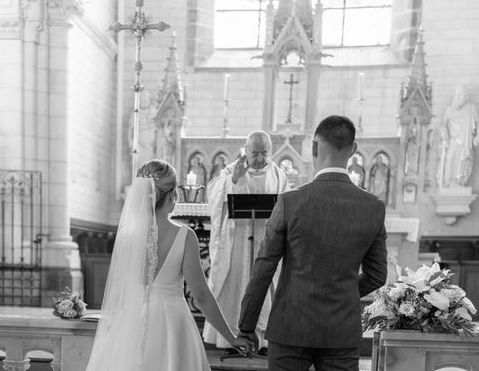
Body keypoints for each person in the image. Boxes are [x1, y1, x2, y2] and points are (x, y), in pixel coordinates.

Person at [238, 116, 387, 371]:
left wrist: (246, 326)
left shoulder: (289, 202)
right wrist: (344, 293)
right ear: (353, 149)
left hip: (290, 325)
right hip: (341, 329)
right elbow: (377, 275)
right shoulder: (373, 207)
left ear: (314, 148)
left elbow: (263, 269)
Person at [85, 160, 252, 371]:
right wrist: (231, 337)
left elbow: (120, 291)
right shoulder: (184, 235)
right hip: (172, 324)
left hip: (131, 323)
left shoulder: (127, 237)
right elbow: (200, 296)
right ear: (173, 195)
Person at [203, 131, 289, 353]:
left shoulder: (278, 175)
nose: (259, 158)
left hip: (266, 241)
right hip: (237, 242)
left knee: (265, 286)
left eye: (264, 153)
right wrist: (233, 180)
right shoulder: (232, 170)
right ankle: (231, 337)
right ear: (246, 150)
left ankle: (263, 340)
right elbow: (213, 192)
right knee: (236, 283)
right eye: (255, 153)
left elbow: (288, 204)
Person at [440, 85, 479, 187]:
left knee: (464, 163)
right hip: (453, 140)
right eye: (458, 94)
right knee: (450, 159)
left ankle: (460, 182)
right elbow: (443, 125)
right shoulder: (449, 109)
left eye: (462, 95)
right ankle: (448, 182)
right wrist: (444, 134)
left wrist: (477, 136)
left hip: (466, 142)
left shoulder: (471, 108)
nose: (459, 97)